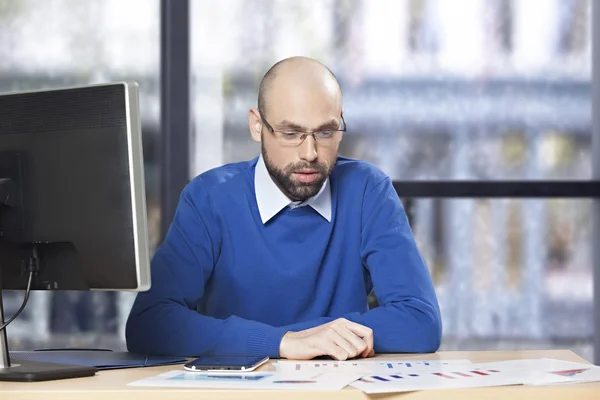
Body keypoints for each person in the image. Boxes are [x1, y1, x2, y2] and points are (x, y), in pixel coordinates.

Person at [126, 56, 442, 360]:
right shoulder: (209, 198)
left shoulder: (368, 191)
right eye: (291, 133)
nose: (310, 152)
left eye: (326, 131)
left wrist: (295, 341)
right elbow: (150, 322)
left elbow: (419, 320)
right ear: (256, 125)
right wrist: (283, 343)